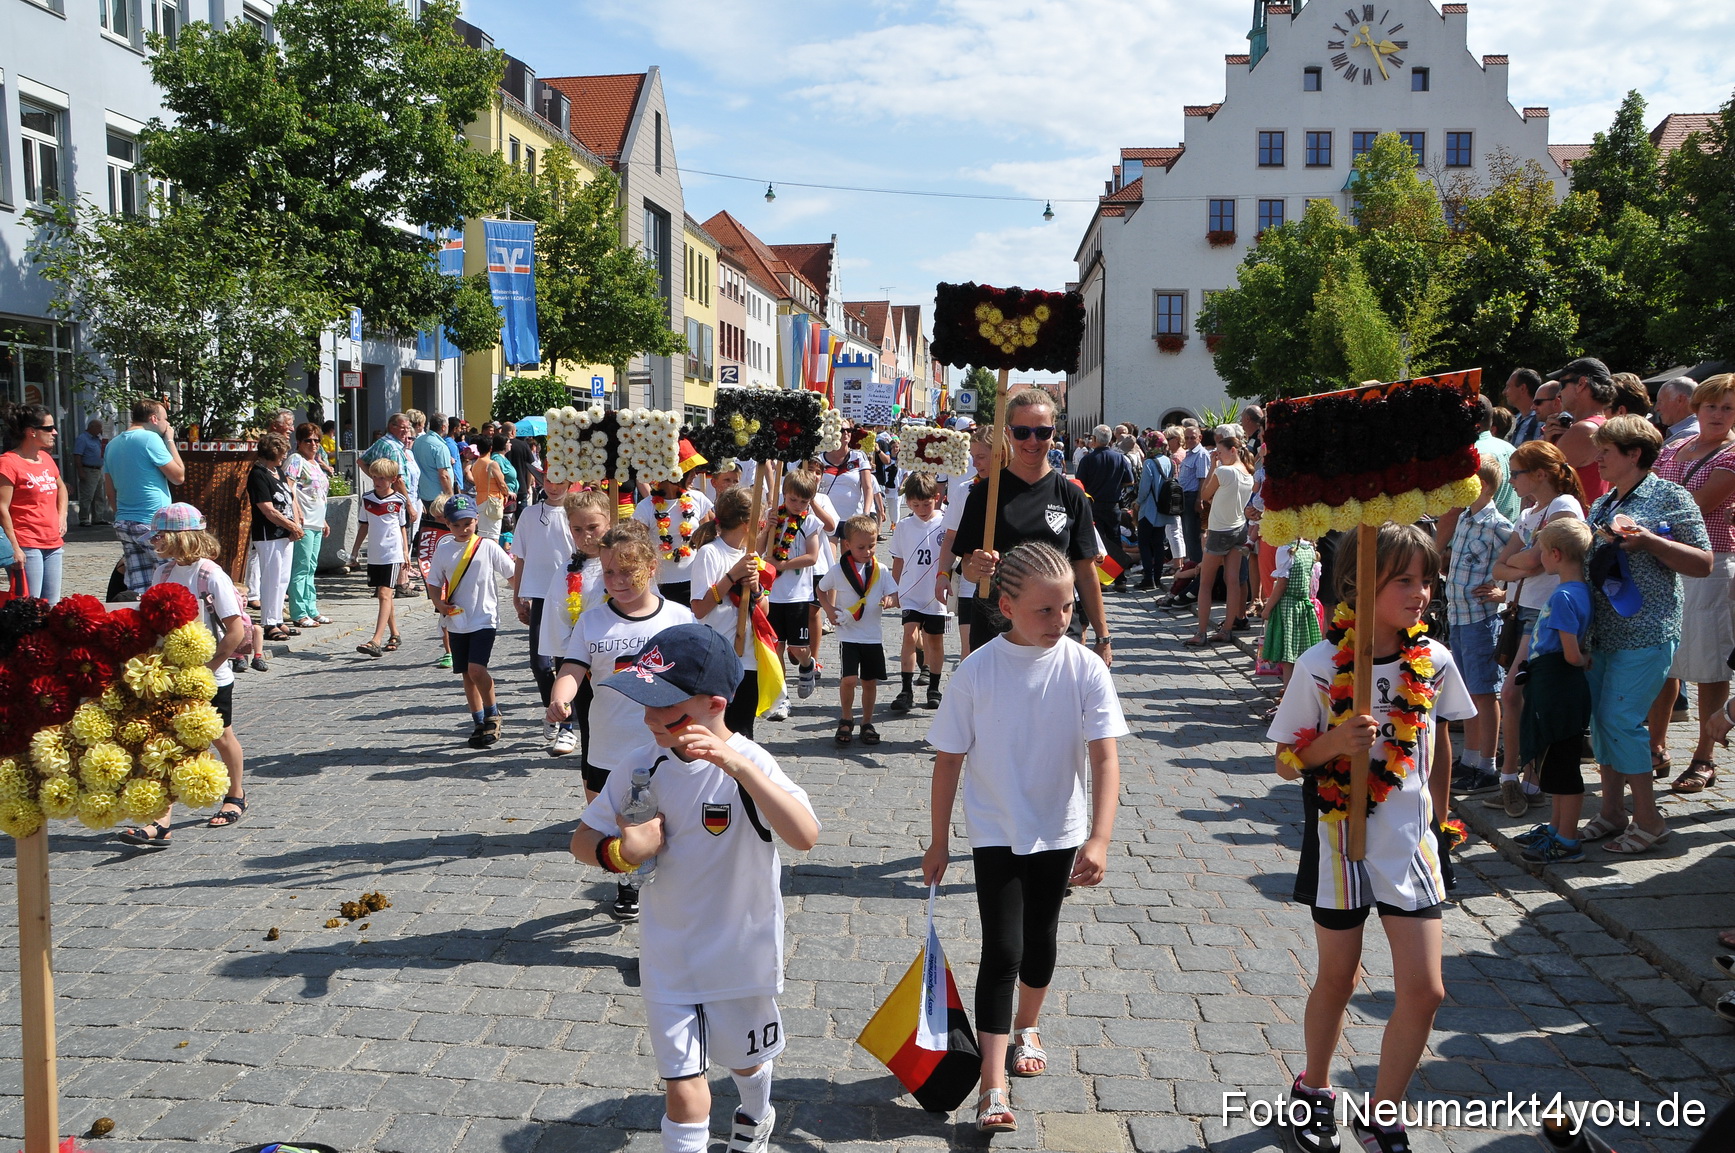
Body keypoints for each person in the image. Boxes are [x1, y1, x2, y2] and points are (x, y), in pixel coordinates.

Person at [571, 622, 818, 1153]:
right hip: (669, 950)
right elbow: (581, 839)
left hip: (739, 950)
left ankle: (756, 1112)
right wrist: (622, 852)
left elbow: (805, 836)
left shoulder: (751, 764)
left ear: (714, 705)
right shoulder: (640, 764)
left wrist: (739, 769)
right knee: (682, 1084)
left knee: (744, 1060)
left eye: (668, 710)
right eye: (644, 703)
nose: (650, 720)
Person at [1268, 523, 1472, 1153]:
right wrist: (1334, 743)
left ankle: (1384, 1111)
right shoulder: (1322, 664)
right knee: (1339, 976)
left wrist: (1440, 818)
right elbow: (1285, 754)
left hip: (1411, 843)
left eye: (1427, 579)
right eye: (1404, 580)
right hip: (1341, 839)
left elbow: (1439, 744)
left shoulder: (1433, 659)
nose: (1420, 593)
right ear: (1364, 584)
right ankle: (1314, 1089)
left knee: (1425, 988)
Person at [923, 541, 1125, 1134]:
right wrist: (939, 841)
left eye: (1067, 609)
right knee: (1003, 950)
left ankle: (1027, 1024)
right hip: (995, 831)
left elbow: (1106, 757)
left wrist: (1100, 837)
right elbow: (948, 760)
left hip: (1058, 828)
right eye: (1045, 610)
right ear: (1007, 606)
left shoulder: (1084, 667)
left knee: (1041, 942)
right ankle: (992, 1081)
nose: (1060, 621)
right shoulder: (979, 670)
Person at [1579, 415, 1712, 856]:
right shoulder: (1603, 502)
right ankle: (1612, 812)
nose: (1597, 458)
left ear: (1634, 453)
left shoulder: (1670, 496)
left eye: (1606, 451)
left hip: (1647, 629)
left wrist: (1651, 541)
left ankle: (1650, 820)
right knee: (1602, 723)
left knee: (1621, 720)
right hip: (1602, 631)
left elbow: (1703, 562)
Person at [548, 524, 694, 919]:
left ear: (651, 566)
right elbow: (573, 668)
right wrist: (561, 698)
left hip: (664, 744)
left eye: (628, 571)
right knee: (617, 824)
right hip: (610, 745)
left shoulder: (679, 618)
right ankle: (626, 879)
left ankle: (673, 890)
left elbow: (697, 677)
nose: (618, 581)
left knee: (668, 821)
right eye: (609, 572)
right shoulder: (593, 622)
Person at [116, 503, 251, 845]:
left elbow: (234, 631)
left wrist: (208, 670)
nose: (153, 542)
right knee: (166, 746)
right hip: (170, 675)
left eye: (159, 536)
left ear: (181, 537)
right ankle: (160, 822)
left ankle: (236, 794)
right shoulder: (161, 573)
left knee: (221, 737)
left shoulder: (210, 574)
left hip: (210, 676)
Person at [955, 388, 1112, 666]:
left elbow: (1086, 573)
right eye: (1022, 432)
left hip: (1058, 630)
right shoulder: (985, 495)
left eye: (1042, 432)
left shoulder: (1071, 495)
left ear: (1054, 433)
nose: (1032, 441)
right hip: (999, 628)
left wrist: (1102, 637)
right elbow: (968, 568)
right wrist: (977, 567)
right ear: (1008, 433)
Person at [1483, 440, 1587, 803]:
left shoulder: (1563, 506)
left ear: (1540, 474)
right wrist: (1518, 565)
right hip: (1521, 610)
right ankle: (1520, 777)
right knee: (1517, 695)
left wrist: (1517, 565)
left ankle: (1520, 778)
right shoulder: (1529, 513)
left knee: (1514, 694)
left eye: (1517, 473)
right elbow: (1502, 565)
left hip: (1544, 612)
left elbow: (1532, 563)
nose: (1512, 481)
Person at [1645, 374, 1735, 794]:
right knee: (1665, 657)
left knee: (1709, 664)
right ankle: (1654, 746)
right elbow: (1649, 492)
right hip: (1663, 558)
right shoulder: (1675, 447)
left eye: (1728, 408)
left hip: (1711, 564)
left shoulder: (1732, 454)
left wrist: (1651, 515)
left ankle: (1705, 756)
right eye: (1711, 406)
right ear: (1696, 407)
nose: (1717, 414)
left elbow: (1698, 505)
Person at [1515, 519, 1596, 865]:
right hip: (1556, 682)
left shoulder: (1564, 595)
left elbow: (1570, 651)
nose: (1539, 558)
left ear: (1557, 554)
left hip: (1557, 682)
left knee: (1562, 765)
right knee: (1556, 763)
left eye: (1543, 552)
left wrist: (1582, 661)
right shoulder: (1578, 591)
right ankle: (1556, 827)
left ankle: (1568, 838)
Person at [1444, 458, 1514, 804]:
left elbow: (1522, 561)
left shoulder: (1498, 525)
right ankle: (1470, 757)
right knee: (1468, 691)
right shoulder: (1464, 518)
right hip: (1458, 615)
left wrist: (1505, 593)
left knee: (1484, 691)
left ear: (1484, 485)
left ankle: (1487, 763)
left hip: (1481, 617)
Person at [426, 495, 517, 749]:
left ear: (476, 520)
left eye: (468, 523)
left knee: (477, 669)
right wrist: (439, 604)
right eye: (457, 525)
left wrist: (522, 600)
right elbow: (433, 582)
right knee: (466, 673)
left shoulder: (487, 546)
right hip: (457, 620)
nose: (463, 529)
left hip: (484, 618)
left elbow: (511, 574)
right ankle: (478, 721)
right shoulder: (443, 551)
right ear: (447, 524)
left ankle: (492, 714)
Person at [688, 487, 768, 740]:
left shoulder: (751, 555)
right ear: (747, 524)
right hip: (717, 656)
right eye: (760, 522)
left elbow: (764, 611)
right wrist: (732, 576)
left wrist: (755, 588)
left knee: (742, 733)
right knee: (715, 732)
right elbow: (699, 608)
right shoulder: (710, 553)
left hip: (747, 657)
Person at [540, 488, 610, 757]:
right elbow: (558, 616)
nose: (586, 536)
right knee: (592, 732)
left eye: (593, 527)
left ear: (609, 523)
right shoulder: (568, 569)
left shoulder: (620, 562)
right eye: (577, 529)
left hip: (617, 659)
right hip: (581, 661)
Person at [818, 514, 898, 746]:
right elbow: (821, 590)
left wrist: (890, 600)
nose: (867, 551)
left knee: (870, 681)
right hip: (849, 634)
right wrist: (829, 609)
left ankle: (867, 721)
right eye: (861, 547)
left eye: (871, 546)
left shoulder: (880, 569)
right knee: (849, 679)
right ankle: (846, 717)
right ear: (848, 545)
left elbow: (893, 593)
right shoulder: (838, 570)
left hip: (872, 635)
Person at [103, 399, 186, 598]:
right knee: (172, 579)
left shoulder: (112, 444)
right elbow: (179, 476)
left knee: (140, 586)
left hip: (125, 522)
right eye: (165, 419)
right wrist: (170, 441)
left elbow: (109, 488)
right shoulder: (150, 439)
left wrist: (121, 512)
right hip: (152, 522)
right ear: (154, 418)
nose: (167, 425)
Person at [761, 470, 824, 716]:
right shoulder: (774, 515)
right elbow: (758, 548)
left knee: (797, 649)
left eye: (804, 502)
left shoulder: (810, 522)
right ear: (784, 495)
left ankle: (808, 665)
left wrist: (783, 565)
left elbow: (812, 556)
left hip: (798, 594)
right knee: (776, 648)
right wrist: (767, 529)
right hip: (773, 594)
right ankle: (781, 698)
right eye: (793, 500)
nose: (797, 506)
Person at [1186, 425, 1254, 647]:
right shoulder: (1247, 473)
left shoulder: (1224, 471)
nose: (1219, 456)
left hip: (1220, 530)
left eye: (1221, 452)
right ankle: (1227, 629)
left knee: (1206, 582)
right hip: (1239, 528)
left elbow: (1205, 495)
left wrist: (1213, 466)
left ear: (1232, 450)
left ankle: (1201, 632)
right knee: (1232, 581)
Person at [889, 472, 949, 712]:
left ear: (936, 498)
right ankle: (906, 689)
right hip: (911, 593)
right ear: (908, 503)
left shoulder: (945, 522)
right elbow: (898, 560)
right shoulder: (904, 526)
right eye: (915, 505)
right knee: (910, 637)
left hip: (935, 595)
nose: (922, 509)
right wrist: (893, 590)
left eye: (926, 503)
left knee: (934, 641)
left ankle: (934, 687)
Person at [0, 404, 67, 604]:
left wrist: (62, 516)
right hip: (26, 543)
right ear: (31, 432)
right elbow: (2, 507)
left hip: (53, 543)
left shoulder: (45, 459)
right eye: (48, 428)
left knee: (51, 606)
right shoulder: (8, 462)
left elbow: (61, 488)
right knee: (29, 606)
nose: (54, 432)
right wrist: (14, 547)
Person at [634, 451, 715, 607]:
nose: (695, 475)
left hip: (694, 581)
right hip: (660, 586)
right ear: (675, 473)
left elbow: (708, 539)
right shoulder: (646, 506)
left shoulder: (697, 499)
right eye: (691, 470)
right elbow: (638, 548)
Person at [353, 458, 410, 659]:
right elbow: (364, 525)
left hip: (392, 553)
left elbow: (402, 527)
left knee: (386, 594)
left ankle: (376, 640)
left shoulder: (399, 500)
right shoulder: (367, 498)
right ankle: (395, 634)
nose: (377, 481)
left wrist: (405, 552)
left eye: (382, 478)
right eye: (375, 476)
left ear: (393, 479)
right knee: (383, 595)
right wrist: (354, 552)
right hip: (375, 554)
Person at [248, 434, 302, 641]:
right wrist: (291, 525)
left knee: (282, 578)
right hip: (268, 533)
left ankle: (278, 617)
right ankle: (268, 622)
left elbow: (289, 497)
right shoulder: (258, 474)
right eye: (282, 453)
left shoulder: (277, 471)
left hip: (285, 534)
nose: (284, 456)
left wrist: (295, 525)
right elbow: (267, 509)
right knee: (271, 577)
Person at [1259, 535, 1323, 704]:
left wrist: (1267, 608)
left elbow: (1281, 584)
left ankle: (1289, 694)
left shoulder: (1286, 550)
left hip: (1288, 605)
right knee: (1301, 651)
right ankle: (1298, 690)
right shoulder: (1309, 548)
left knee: (1289, 655)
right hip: (1304, 604)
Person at [1074, 424, 1134, 591]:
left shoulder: (1088, 460)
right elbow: (1130, 481)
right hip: (1113, 504)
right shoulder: (1120, 458)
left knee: (1097, 543)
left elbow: (1080, 484)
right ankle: (1120, 579)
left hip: (1093, 505)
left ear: (1094, 440)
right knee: (1115, 539)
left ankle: (1101, 580)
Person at [284, 422, 331, 629]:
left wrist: (324, 520)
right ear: (299, 442)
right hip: (304, 522)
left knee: (311, 567)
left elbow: (318, 495)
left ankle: (311, 608)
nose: (313, 444)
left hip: (316, 521)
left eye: (316, 440)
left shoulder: (316, 464)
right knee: (301, 567)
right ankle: (299, 611)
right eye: (308, 440)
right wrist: (297, 512)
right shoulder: (296, 460)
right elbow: (289, 488)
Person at [1555, 356, 1617, 502]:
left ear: (1581, 384)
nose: (1559, 394)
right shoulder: (1605, 425)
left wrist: (1547, 442)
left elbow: (1540, 484)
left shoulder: (1584, 430)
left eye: (1562, 385)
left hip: (1570, 520)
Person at [1134, 435, 1177, 591]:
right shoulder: (1170, 462)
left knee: (1144, 543)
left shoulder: (1149, 463)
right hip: (1164, 507)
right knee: (1158, 543)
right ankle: (1157, 578)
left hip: (1149, 509)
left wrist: (1138, 503)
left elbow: (1145, 488)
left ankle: (1148, 578)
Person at [817, 426, 875, 527]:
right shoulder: (819, 458)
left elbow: (868, 487)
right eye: (841, 430)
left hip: (853, 518)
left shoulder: (859, 456)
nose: (846, 433)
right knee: (829, 544)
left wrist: (866, 513)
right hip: (827, 516)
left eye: (849, 430)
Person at [469, 433, 510, 541]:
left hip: (480, 500)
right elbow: (501, 483)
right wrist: (507, 493)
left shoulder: (476, 464)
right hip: (492, 501)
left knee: (483, 533)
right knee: (493, 535)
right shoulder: (492, 464)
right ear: (491, 448)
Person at [412, 412, 457, 506]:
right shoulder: (440, 446)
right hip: (438, 497)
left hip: (423, 494)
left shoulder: (418, 441)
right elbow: (443, 475)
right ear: (443, 427)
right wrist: (450, 496)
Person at [72, 419, 108, 527]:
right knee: (87, 495)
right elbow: (77, 455)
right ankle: (84, 518)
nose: (100, 430)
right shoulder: (83, 439)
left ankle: (98, 517)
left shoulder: (97, 439)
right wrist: (80, 471)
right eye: (98, 428)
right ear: (92, 427)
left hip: (98, 469)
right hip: (88, 469)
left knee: (99, 495)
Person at [1655, 377, 1701, 445]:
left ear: (1680, 400)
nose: (1656, 408)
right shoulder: (1686, 432)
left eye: (1660, 401)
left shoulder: (1688, 435)